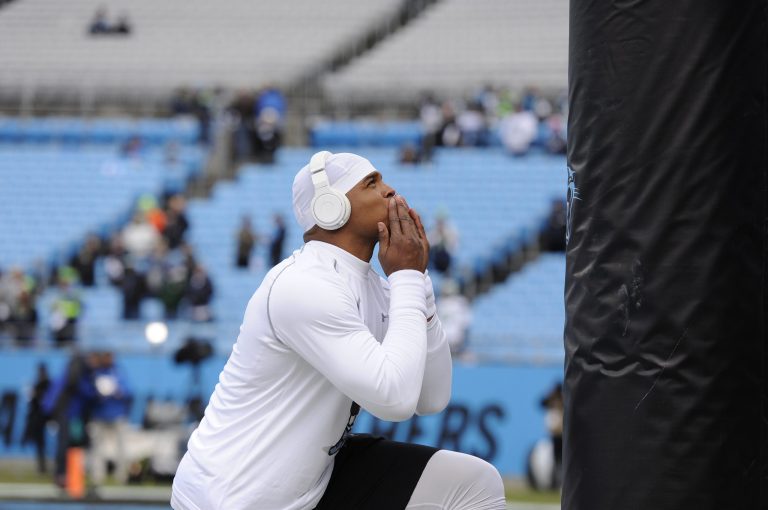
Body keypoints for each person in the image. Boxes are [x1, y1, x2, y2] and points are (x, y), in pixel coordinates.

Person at [171, 152, 505, 510]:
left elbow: (431, 398)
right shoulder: (303, 284)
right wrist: (406, 277)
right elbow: (395, 400)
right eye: (371, 183)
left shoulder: (381, 287)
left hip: (311, 482)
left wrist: (418, 283)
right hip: (229, 497)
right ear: (330, 207)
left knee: (474, 483)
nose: (390, 190)